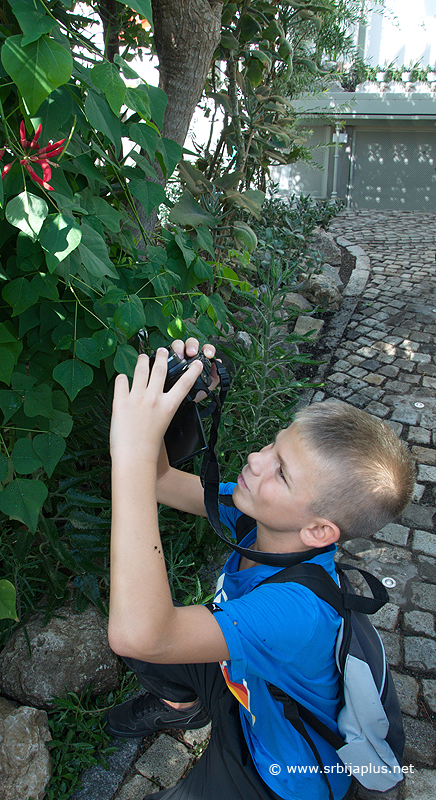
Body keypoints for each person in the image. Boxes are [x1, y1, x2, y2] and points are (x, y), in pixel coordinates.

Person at [106, 338, 415, 800]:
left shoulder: (296, 611)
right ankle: (186, 705)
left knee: (145, 629)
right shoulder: (260, 517)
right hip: (245, 681)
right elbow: (163, 482)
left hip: (274, 772)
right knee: (144, 627)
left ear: (317, 531)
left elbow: (141, 631)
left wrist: (129, 456)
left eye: (282, 472)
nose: (256, 459)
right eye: (273, 445)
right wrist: (177, 402)